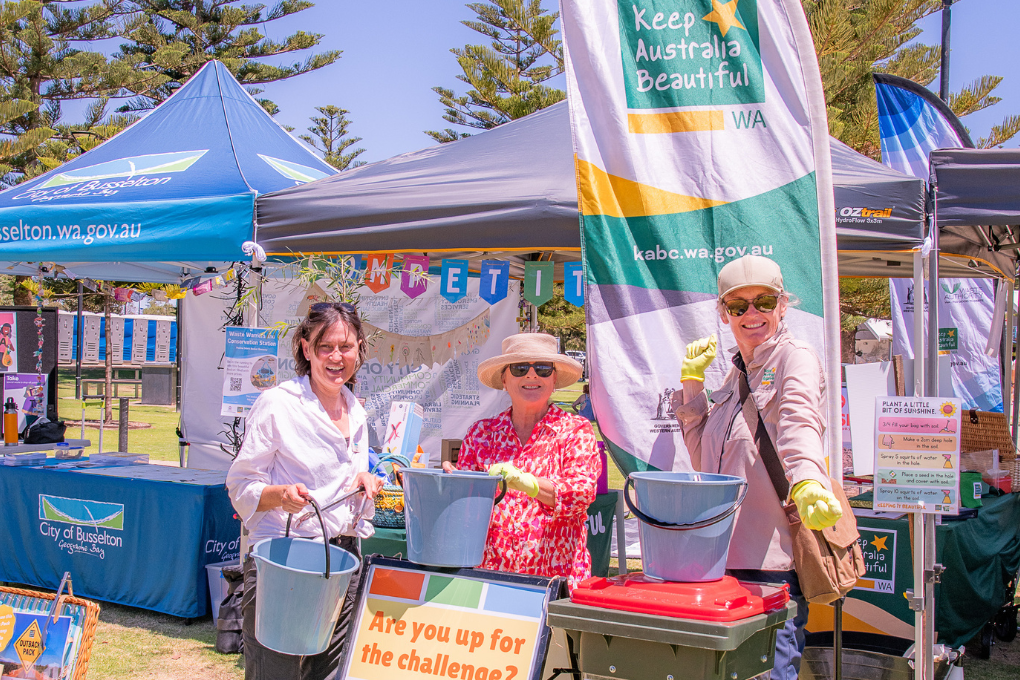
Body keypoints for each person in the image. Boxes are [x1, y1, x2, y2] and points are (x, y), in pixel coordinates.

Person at [671, 255, 842, 680]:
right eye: (737, 305)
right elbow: (704, 466)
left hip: (768, 569)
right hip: (715, 563)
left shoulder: (794, 357)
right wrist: (693, 384)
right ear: (723, 312)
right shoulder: (734, 375)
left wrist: (806, 481)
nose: (752, 313)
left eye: (763, 301)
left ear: (783, 305)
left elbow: (800, 423)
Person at [226, 302, 384, 680]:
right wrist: (280, 495)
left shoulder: (355, 409)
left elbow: (345, 471)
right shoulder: (278, 404)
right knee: (274, 672)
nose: (336, 357)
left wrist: (365, 479)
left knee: (328, 673)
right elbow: (240, 484)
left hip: (344, 561)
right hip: (286, 560)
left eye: (346, 347)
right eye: (325, 346)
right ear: (305, 347)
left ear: (359, 348)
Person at [442, 333, 600, 590]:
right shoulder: (481, 434)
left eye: (542, 368)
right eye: (519, 368)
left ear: (554, 379)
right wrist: (451, 486)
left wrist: (529, 483)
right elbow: (465, 513)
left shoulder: (575, 430)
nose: (531, 375)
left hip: (557, 584)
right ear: (504, 379)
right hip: (490, 581)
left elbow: (582, 493)